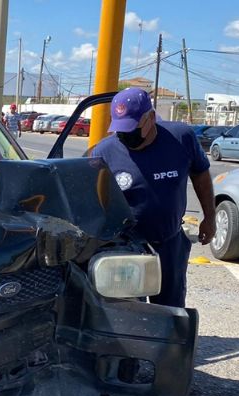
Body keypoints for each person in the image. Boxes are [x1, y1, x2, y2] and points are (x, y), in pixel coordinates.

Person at [88, 88, 216, 308]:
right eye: (120, 130)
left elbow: (200, 174)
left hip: (169, 242)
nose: (125, 136)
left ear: (151, 118)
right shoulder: (104, 152)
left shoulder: (181, 138)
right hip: (125, 246)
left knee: (170, 307)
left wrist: (210, 217)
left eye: (131, 129)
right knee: (127, 309)